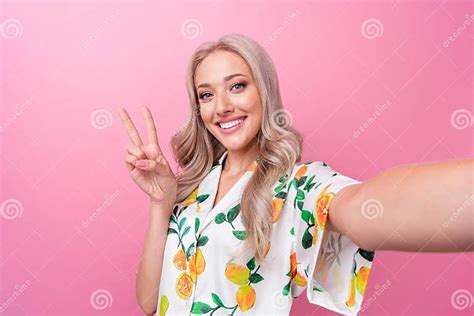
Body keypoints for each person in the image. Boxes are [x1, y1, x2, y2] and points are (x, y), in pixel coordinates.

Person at [117, 33, 473, 316]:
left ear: (264, 91)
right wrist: (161, 204)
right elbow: (149, 302)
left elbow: (366, 209)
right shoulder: (192, 188)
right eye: (206, 94)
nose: (222, 106)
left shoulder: (297, 186)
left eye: (237, 86)